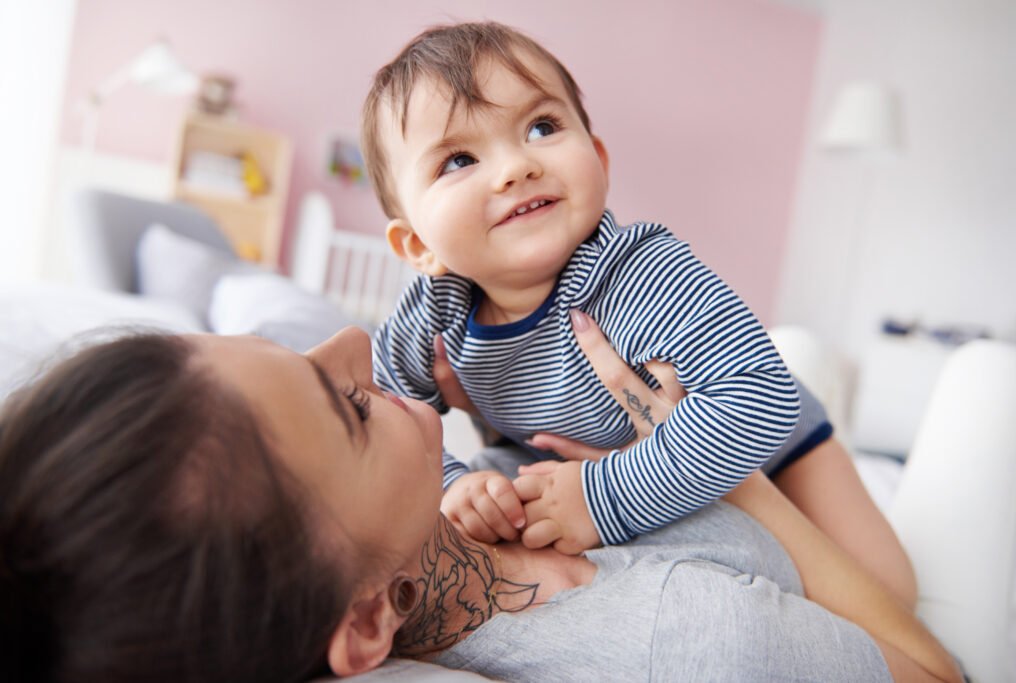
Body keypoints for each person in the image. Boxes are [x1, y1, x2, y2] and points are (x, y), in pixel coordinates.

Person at [0, 326, 962, 682]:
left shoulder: (450, 504)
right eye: (346, 405)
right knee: (981, 378)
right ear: (368, 618)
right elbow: (936, 669)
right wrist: (732, 466)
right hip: (863, 563)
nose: (354, 339)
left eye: (286, 347)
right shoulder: (692, 644)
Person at [361, 21, 915, 606]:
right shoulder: (432, 317)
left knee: (891, 596)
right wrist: (453, 484)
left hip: (778, 451)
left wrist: (603, 500)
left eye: (541, 126)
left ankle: (807, 361)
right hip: (592, 448)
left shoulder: (639, 273)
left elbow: (760, 400)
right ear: (417, 245)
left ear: (598, 158)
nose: (514, 167)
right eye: (459, 159)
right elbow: (381, 416)